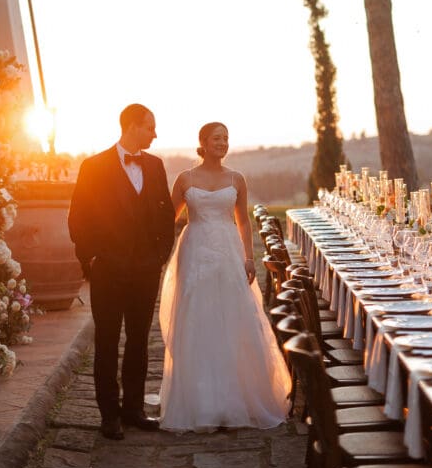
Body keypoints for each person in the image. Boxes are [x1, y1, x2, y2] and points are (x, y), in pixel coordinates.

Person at [159, 121, 291, 431]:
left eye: (226, 138)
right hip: (194, 253)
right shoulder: (185, 178)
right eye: (217, 138)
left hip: (229, 253)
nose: (223, 143)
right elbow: (168, 218)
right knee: (196, 318)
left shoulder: (237, 178)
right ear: (202, 142)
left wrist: (248, 257)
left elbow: (243, 222)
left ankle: (237, 398)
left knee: (233, 317)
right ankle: (201, 401)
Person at [68, 103, 175, 440]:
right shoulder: (94, 166)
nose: (154, 134)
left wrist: (159, 255)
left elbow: (166, 215)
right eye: (149, 127)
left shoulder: (156, 166)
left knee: (140, 342)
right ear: (131, 126)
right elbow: (78, 218)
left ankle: (134, 409)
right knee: (107, 342)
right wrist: (91, 260)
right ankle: (109, 415)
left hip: (145, 269)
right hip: (108, 270)